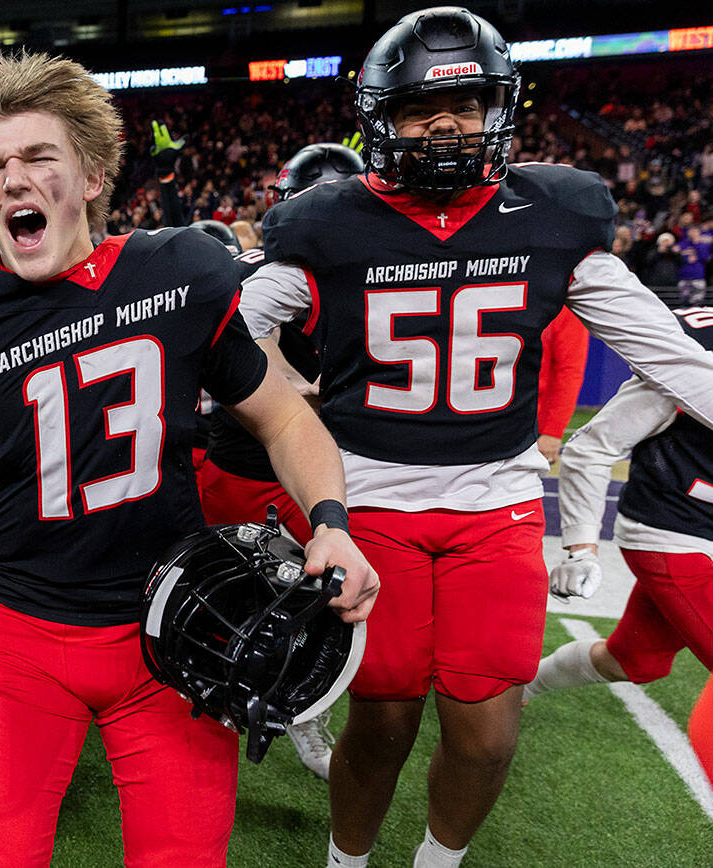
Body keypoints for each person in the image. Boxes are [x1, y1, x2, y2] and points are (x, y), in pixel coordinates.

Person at [0, 48, 377, 867]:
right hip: (17, 643)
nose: (13, 179)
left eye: (39, 157)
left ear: (90, 174)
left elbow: (283, 418)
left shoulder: (179, 273)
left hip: (174, 631)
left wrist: (331, 522)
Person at [237, 8, 713, 867]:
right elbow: (230, 341)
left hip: (493, 498)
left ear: (504, 109)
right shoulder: (324, 224)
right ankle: (348, 861)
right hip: (366, 494)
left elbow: (676, 360)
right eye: (423, 109)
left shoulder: (555, 214)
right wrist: (284, 390)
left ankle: (437, 861)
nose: (449, 125)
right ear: (382, 119)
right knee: (381, 716)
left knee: (489, 732)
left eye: (471, 104)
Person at [198, 141, 365, 781]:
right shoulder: (257, 275)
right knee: (231, 595)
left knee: (326, 599)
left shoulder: (380, 265)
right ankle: (210, 694)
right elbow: (236, 362)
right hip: (246, 464)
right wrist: (313, 388)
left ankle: (306, 706)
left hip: (338, 466)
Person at [525, 305, 713, 775]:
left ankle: (518, 690)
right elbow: (591, 449)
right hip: (673, 534)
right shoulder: (692, 357)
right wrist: (581, 548)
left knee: (635, 659)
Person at [535, 307, 589, 465]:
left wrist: (552, 430)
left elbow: (570, 370)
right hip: (486, 415)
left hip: (531, 423)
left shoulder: (562, 307)